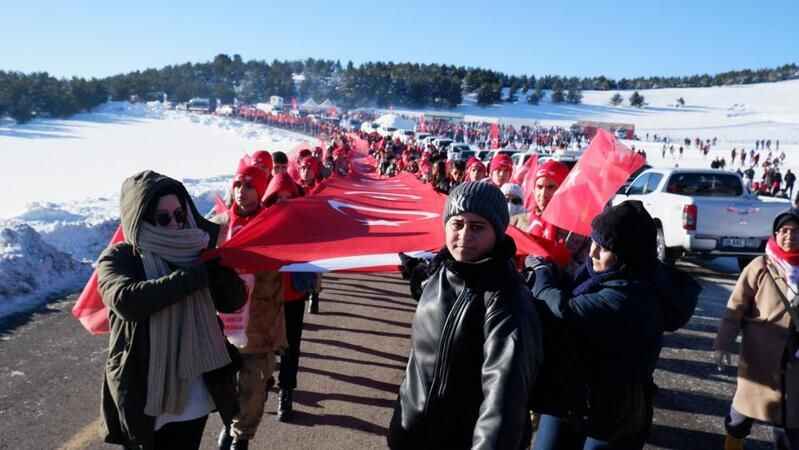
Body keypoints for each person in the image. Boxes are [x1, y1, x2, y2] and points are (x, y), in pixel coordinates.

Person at [97, 170, 246, 450]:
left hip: (195, 392)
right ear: (139, 220)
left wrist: (221, 269)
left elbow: (233, 301)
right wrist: (194, 276)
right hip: (145, 393)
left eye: (179, 214)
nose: (176, 224)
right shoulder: (121, 256)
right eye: (163, 218)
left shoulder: (197, 248)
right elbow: (126, 301)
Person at [389, 181, 542, 450]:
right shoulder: (442, 272)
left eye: (477, 227)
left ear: (497, 231)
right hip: (412, 436)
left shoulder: (507, 298)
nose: (464, 235)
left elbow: (503, 398)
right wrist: (415, 274)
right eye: (457, 224)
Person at [527, 201, 664, 450]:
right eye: (593, 242)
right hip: (572, 397)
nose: (592, 253)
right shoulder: (600, 277)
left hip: (609, 413)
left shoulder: (629, 296)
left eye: (603, 248)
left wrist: (541, 273)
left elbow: (563, 310)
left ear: (627, 255)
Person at [212, 165, 286, 450]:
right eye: (238, 185)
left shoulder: (272, 225)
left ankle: (241, 437)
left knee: (254, 386)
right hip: (222, 325)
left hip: (259, 323)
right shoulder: (218, 225)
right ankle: (230, 424)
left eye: (249, 186)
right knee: (224, 386)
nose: (242, 192)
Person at [715, 208, 799, 450]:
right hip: (760, 354)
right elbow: (736, 307)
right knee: (740, 416)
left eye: (795, 231)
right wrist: (723, 342)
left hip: (794, 359)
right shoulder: (760, 265)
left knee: (790, 422)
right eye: (784, 231)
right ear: (775, 234)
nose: (789, 236)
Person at [262, 174, 309, 422]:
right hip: (264, 297)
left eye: (287, 198)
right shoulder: (260, 223)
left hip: (293, 295)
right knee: (263, 345)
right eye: (276, 198)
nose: (282, 202)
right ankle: (260, 386)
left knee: (290, 347)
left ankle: (286, 392)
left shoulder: (303, 224)